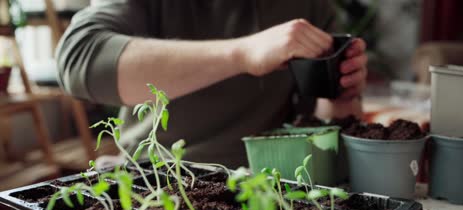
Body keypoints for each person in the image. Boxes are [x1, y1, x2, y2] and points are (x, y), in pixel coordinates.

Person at [56, 0, 368, 168]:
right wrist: (242, 53)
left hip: (272, 180)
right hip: (160, 176)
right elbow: (80, 60)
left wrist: (343, 93)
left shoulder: (311, 7)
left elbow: (327, 122)